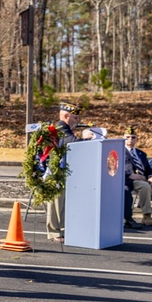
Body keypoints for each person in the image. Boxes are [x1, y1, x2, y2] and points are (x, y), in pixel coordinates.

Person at [45, 102, 94, 242]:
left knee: (63, 203)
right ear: (66, 116)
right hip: (56, 171)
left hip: (63, 171)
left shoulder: (66, 128)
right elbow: (71, 142)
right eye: (75, 118)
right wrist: (86, 139)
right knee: (55, 203)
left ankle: (62, 229)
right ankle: (54, 232)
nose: (77, 121)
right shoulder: (61, 127)